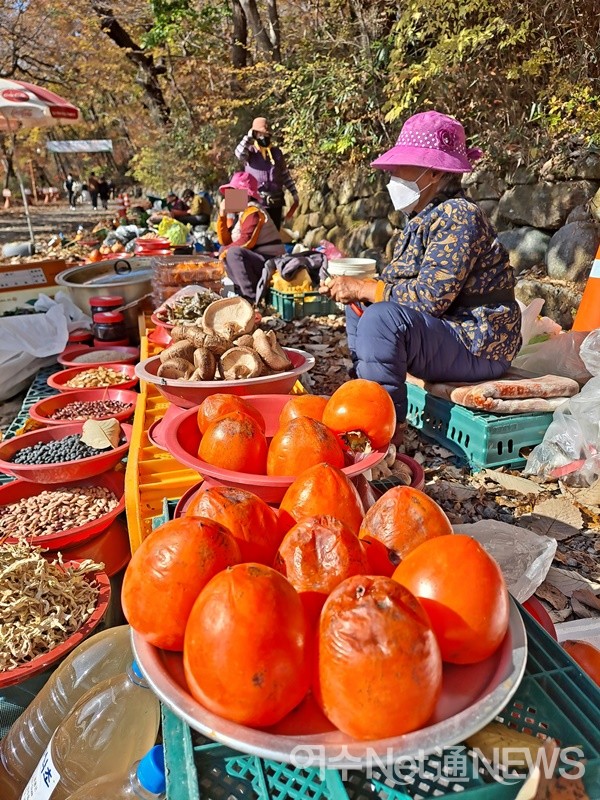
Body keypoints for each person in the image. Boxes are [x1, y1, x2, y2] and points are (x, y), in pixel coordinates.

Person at [320, 111, 522, 440]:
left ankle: (385, 425)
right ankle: (366, 392)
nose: (393, 175)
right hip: (448, 334)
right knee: (365, 308)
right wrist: (356, 290)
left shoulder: (459, 215)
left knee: (381, 319)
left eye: (402, 166)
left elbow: (429, 298)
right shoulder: (422, 218)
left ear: (435, 171)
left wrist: (366, 287)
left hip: (478, 343)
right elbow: (397, 285)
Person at [216, 172, 285, 303]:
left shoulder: (254, 212)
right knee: (224, 250)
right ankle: (239, 290)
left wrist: (223, 253)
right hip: (258, 259)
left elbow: (246, 241)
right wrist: (222, 215)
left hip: (271, 261)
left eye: (233, 192)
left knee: (233, 253)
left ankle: (251, 297)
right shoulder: (242, 214)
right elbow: (224, 241)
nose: (228, 197)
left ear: (245, 194)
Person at [235, 117, 299, 231]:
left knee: (273, 235)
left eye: (265, 134)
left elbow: (285, 175)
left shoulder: (276, 153)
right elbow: (238, 153)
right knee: (253, 234)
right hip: (255, 203)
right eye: (260, 134)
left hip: (275, 202)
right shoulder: (249, 152)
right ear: (255, 135)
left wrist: (294, 192)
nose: (263, 137)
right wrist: (248, 136)